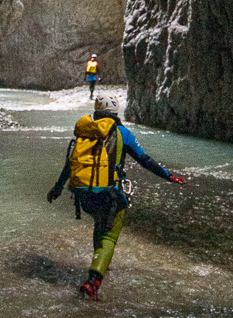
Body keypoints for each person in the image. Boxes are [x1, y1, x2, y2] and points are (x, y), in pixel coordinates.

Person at [47, 95, 185, 299]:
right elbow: (144, 159)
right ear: (115, 112)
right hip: (109, 195)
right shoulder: (123, 133)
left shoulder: (86, 131)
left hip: (83, 195)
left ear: (96, 111)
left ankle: (100, 261)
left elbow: (70, 164)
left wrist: (58, 187)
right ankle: (93, 281)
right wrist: (168, 175)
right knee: (109, 235)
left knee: (99, 225)